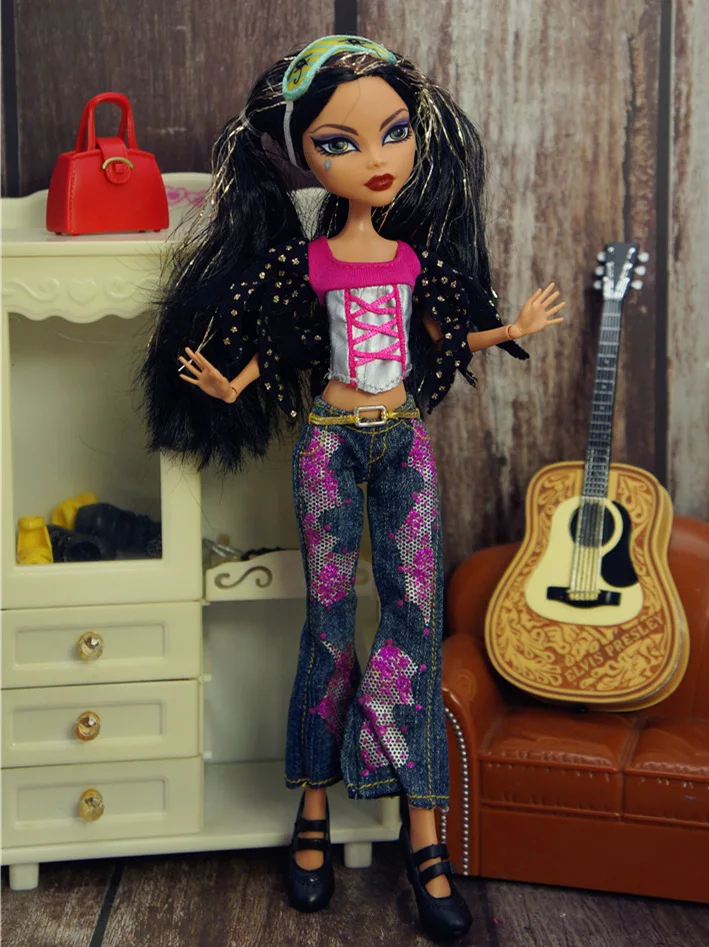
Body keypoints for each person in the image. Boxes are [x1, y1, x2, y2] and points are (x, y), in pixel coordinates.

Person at [140, 34, 564, 941]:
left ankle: (422, 828)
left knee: (415, 619)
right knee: (328, 623)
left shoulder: (414, 261)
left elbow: (446, 335)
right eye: (341, 142)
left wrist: (513, 328)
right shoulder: (306, 263)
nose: (376, 158)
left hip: (403, 441)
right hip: (330, 443)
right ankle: (315, 809)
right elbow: (279, 340)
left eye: (393, 132)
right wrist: (231, 384)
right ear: (305, 154)